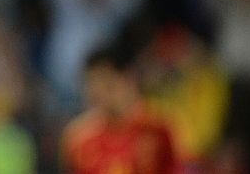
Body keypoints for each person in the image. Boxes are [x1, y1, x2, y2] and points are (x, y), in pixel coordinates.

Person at [61, 41, 179, 174]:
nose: (98, 92)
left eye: (105, 82)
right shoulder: (78, 140)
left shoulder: (157, 129)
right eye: (91, 84)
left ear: (127, 78)